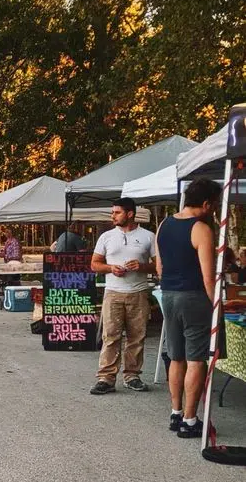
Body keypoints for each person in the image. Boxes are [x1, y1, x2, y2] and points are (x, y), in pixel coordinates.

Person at [156, 178, 221, 438]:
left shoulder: (164, 224)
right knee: (196, 358)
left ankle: (176, 412)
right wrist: (216, 305)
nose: (215, 210)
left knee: (176, 355)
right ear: (206, 203)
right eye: (214, 205)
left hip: (168, 294)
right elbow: (208, 277)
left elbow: (159, 267)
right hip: (193, 296)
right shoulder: (200, 229)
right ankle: (191, 419)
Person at [89, 198, 156, 395]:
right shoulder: (106, 237)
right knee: (110, 335)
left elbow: (158, 265)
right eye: (113, 212)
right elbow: (94, 264)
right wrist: (110, 268)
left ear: (130, 213)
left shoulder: (148, 236)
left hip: (138, 292)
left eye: (117, 212)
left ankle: (132, 375)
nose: (113, 216)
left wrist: (142, 266)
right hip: (113, 292)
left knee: (137, 336)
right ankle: (106, 378)